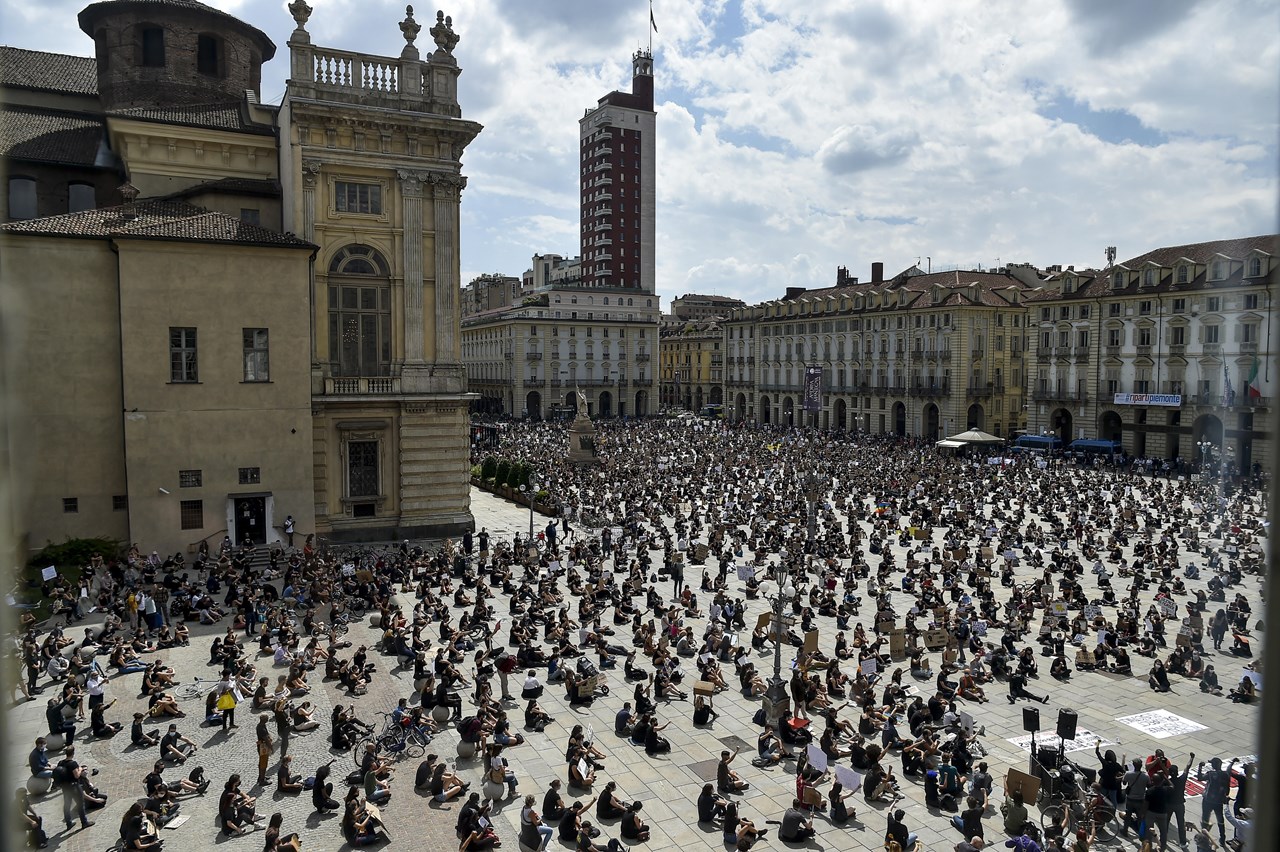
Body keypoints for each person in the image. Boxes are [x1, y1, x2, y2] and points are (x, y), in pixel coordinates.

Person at [55, 744, 93, 831]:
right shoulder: (73, 763)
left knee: (67, 805)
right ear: (73, 753)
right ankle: (84, 822)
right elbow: (76, 776)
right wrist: (80, 769)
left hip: (65, 787)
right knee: (80, 804)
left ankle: (69, 823)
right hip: (74, 786)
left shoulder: (61, 762)